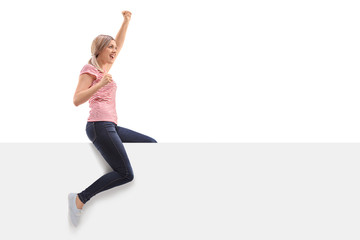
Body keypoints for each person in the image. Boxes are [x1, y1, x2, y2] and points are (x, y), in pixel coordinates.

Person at [68, 10, 157, 227]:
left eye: (115, 49)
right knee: (126, 173)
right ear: (99, 50)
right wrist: (99, 85)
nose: (115, 51)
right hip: (98, 125)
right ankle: (80, 198)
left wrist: (126, 21)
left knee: (152, 144)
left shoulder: (105, 66)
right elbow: (76, 100)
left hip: (111, 126)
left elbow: (120, 42)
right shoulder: (90, 70)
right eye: (110, 48)